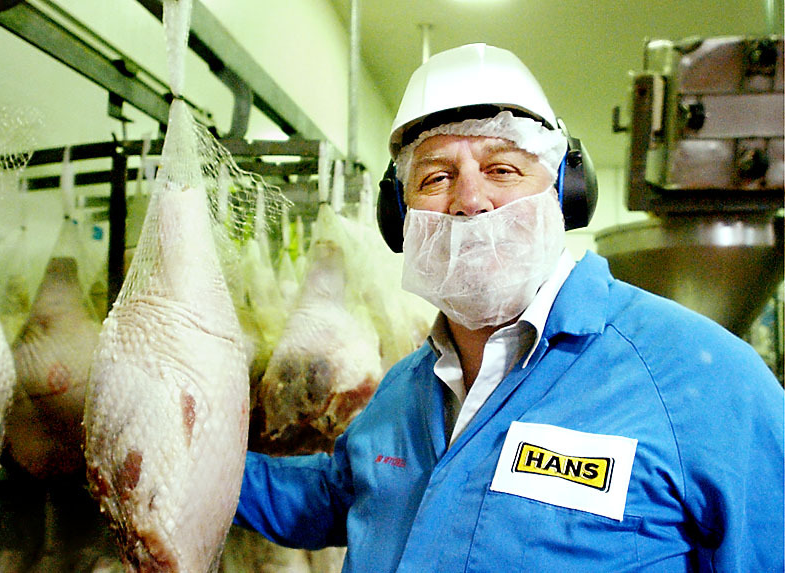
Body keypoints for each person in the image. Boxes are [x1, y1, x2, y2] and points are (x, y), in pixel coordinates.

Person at [233, 43, 785, 571]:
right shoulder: (404, 389)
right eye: (436, 176)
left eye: (503, 169)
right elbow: (335, 497)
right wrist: (182, 451)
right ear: (398, 218)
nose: (471, 201)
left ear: (565, 192)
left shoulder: (705, 380)